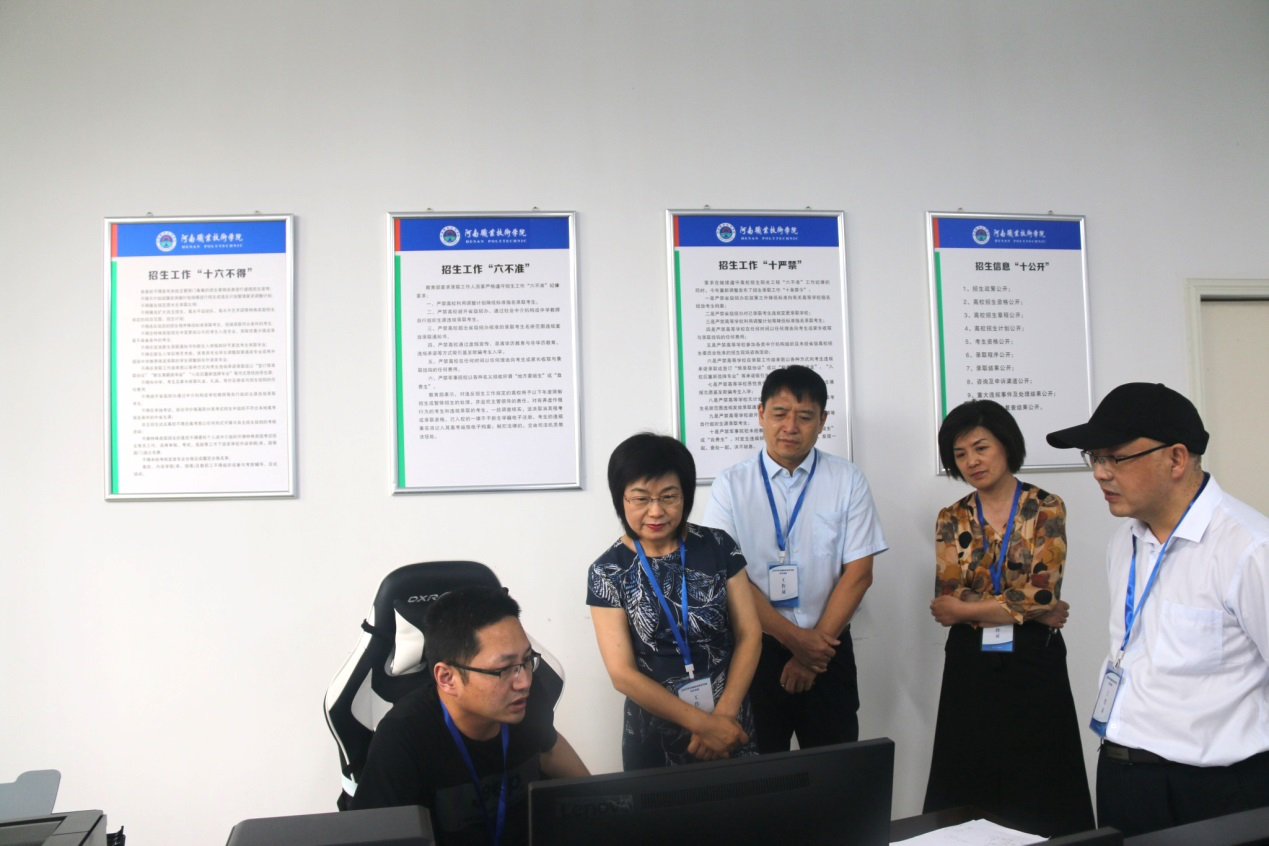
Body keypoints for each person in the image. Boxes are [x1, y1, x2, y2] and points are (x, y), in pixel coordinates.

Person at [1047, 382, 1269, 837]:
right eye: (1095, 458)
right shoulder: (1125, 540)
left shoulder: (1249, 548)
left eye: (1116, 458)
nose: (1100, 474)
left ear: (1176, 458)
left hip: (1214, 789)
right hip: (1123, 774)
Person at [923, 400, 1094, 836]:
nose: (972, 461)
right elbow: (946, 601)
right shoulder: (951, 517)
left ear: (1006, 444)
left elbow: (1041, 592)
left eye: (981, 448)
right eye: (960, 454)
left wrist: (975, 609)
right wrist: (1031, 611)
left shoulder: (1046, 506)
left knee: (1041, 775)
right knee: (968, 772)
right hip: (969, 660)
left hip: (1034, 659)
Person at [699, 365, 886, 753]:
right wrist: (796, 641)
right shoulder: (730, 486)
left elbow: (859, 573)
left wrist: (812, 654)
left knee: (835, 770)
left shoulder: (847, 480)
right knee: (763, 774)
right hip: (756, 651)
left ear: (822, 421)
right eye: (780, 413)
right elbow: (728, 578)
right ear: (761, 414)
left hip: (829, 648)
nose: (790, 427)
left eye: (804, 416)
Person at [352, 586, 588, 846]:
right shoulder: (403, 737)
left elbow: (548, 747)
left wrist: (605, 803)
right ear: (447, 678)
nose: (523, 682)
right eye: (504, 669)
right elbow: (375, 837)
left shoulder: (526, 699)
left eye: (527, 660)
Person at [587, 432, 762, 770]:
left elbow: (750, 633)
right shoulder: (607, 571)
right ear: (621, 498)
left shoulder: (718, 546)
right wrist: (706, 726)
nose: (656, 511)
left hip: (730, 722)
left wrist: (724, 717)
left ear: (686, 495)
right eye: (641, 498)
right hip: (654, 733)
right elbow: (622, 674)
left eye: (669, 496)